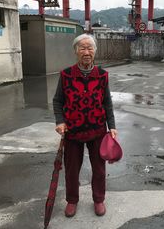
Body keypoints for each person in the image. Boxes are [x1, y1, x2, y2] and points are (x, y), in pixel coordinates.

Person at [53, 33, 117, 218]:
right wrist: (60, 121)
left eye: (90, 48)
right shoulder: (66, 75)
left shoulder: (102, 75)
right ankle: (72, 201)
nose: (86, 52)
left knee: (99, 168)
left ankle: (98, 199)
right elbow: (58, 101)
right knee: (72, 169)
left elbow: (107, 102)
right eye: (82, 48)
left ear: (95, 52)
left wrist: (111, 125)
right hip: (73, 131)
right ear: (76, 51)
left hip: (97, 130)